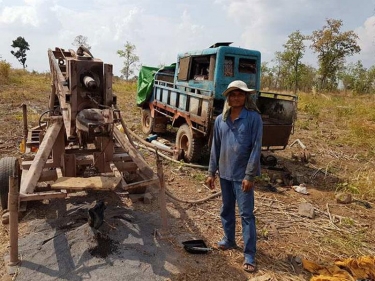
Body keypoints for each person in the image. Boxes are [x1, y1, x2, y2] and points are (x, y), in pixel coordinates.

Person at [206, 80, 263, 273]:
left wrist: (250, 175)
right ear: (228, 98)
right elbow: (216, 147)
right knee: (226, 209)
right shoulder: (220, 120)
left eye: (240, 94)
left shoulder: (254, 118)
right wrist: (211, 172)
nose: (236, 97)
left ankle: (249, 254)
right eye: (232, 94)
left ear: (246, 97)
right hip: (225, 174)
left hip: (242, 176)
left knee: (246, 215)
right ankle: (229, 240)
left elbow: (256, 148)